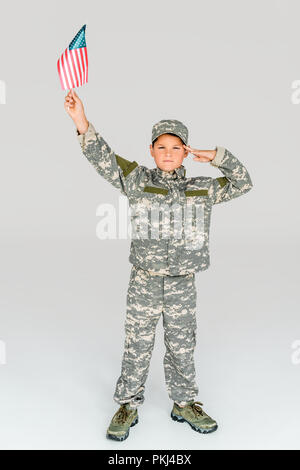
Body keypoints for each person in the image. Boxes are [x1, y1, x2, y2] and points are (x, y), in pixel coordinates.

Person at [64, 89, 253, 441]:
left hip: (182, 282)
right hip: (145, 281)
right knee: (137, 343)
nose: (168, 153)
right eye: (161, 147)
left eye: (176, 147)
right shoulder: (138, 180)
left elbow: (243, 182)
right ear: (151, 150)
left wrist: (217, 156)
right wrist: (81, 122)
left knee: (182, 345)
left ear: (186, 152)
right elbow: (103, 157)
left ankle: (184, 403)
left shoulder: (202, 187)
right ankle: (127, 404)